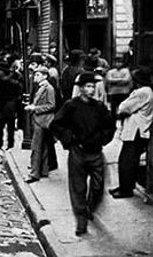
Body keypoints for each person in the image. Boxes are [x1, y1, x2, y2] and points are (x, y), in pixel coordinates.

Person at [49, 72, 116, 236]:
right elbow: (56, 125)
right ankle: (81, 220)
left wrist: (102, 140)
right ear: (81, 88)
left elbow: (110, 127)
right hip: (78, 152)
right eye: (88, 86)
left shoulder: (99, 107)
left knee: (98, 185)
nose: (91, 89)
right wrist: (70, 139)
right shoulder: (71, 106)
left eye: (93, 86)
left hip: (95, 152)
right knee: (78, 187)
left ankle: (89, 208)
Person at [109, 67, 153, 199]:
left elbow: (124, 107)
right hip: (136, 129)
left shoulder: (143, 92)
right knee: (129, 160)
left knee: (127, 161)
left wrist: (122, 109)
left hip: (136, 130)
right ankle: (125, 186)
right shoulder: (145, 91)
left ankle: (126, 189)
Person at [24, 66, 56, 183]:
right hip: (40, 120)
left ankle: (34, 173)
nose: (35, 77)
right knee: (43, 147)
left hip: (42, 121)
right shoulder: (42, 87)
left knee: (36, 147)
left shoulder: (48, 88)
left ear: (45, 76)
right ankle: (43, 170)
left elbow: (51, 105)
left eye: (38, 75)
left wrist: (34, 108)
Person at [0, 62, 22, 151]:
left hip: (8, 106)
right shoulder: (8, 78)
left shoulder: (7, 80)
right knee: (6, 128)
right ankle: (6, 145)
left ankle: (5, 145)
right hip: (4, 106)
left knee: (6, 128)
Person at [105, 56, 132, 121]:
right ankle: (112, 123)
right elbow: (109, 79)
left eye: (120, 62)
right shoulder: (110, 71)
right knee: (113, 109)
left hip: (124, 92)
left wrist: (115, 81)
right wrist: (121, 81)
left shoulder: (126, 71)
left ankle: (124, 121)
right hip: (113, 92)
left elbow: (127, 80)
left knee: (123, 108)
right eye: (116, 62)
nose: (118, 64)